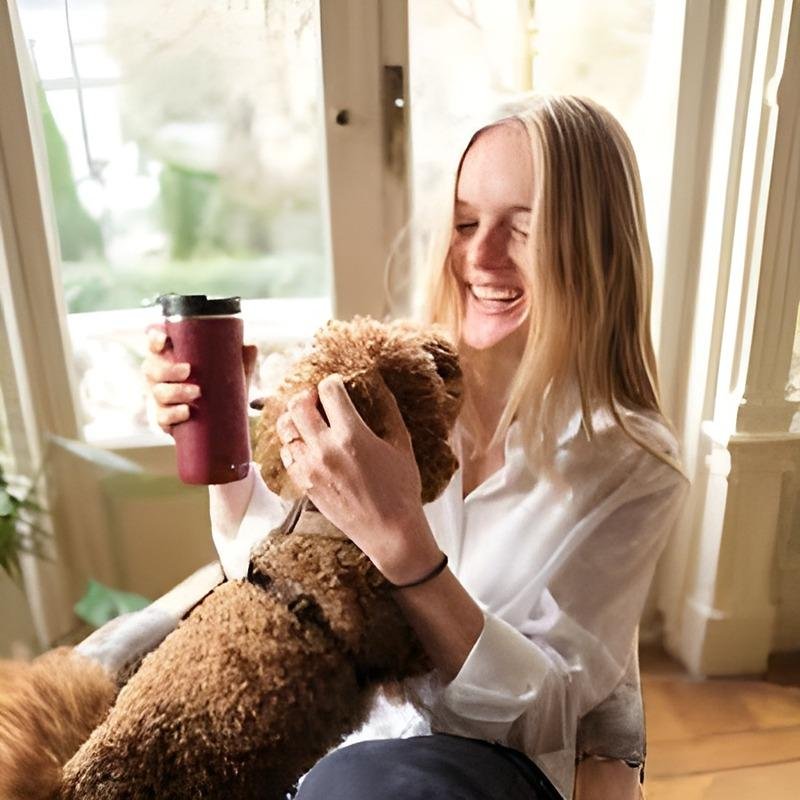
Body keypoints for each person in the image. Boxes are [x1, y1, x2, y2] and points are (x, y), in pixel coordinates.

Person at [143, 94, 688, 800]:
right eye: (464, 223)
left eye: (524, 228)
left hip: (480, 772)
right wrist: (223, 447)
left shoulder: (632, 465)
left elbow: (547, 717)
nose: (481, 256)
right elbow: (285, 583)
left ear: (598, 248)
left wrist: (402, 545)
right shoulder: (387, 392)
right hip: (331, 753)